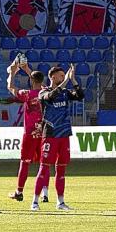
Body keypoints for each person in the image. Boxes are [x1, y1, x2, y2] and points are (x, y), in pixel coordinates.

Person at [32, 65, 84, 211]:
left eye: (64, 75)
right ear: (52, 77)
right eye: (60, 76)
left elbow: (80, 96)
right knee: (44, 167)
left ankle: (60, 202)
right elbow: (51, 96)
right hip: (50, 134)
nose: (63, 78)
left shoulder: (66, 92)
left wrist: (73, 80)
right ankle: (35, 201)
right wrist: (64, 82)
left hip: (64, 134)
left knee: (61, 170)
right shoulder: (44, 92)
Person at [6, 59, 50, 202]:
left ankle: (19, 192)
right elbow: (42, 85)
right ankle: (45, 194)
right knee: (44, 163)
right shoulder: (46, 92)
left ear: (31, 81)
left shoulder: (27, 94)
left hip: (30, 132)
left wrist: (12, 73)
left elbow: (10, 87)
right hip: (44, 132)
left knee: (25, 162)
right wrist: (28, 70)